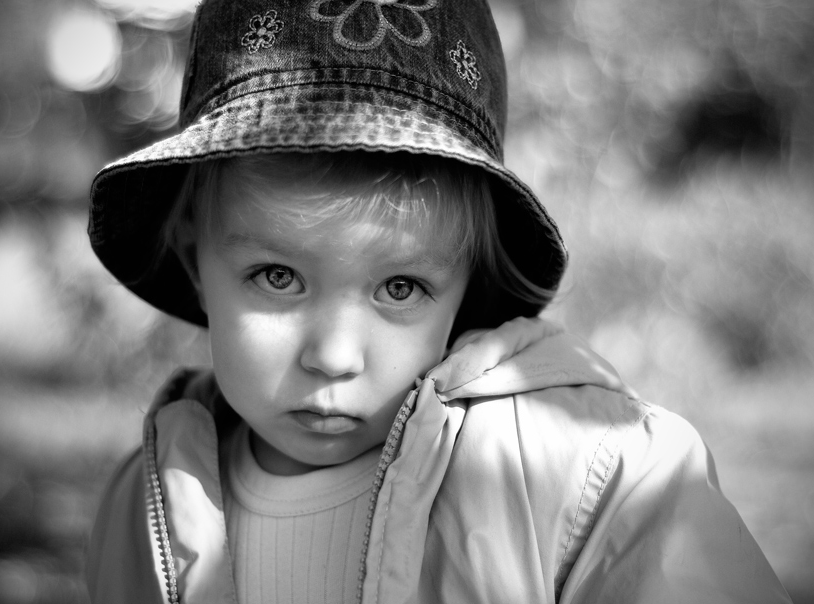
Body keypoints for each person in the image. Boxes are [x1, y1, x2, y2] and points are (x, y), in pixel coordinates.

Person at [85, 1, 792, 603]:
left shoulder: (594, 478)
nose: (334, 356)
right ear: (193, 257)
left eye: (400, 288)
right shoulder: (146, 500)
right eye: (277, 276)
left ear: (467, 285)